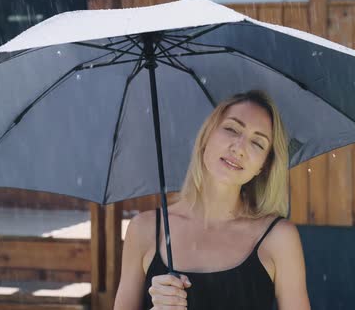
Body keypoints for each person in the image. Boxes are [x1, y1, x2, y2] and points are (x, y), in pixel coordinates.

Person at [114, 90, 311, 310]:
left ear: (263, 166)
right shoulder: (144, 230)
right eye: (231, 129)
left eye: (257, 143)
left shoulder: (279, 238)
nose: (239, 148)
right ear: (206, 135)